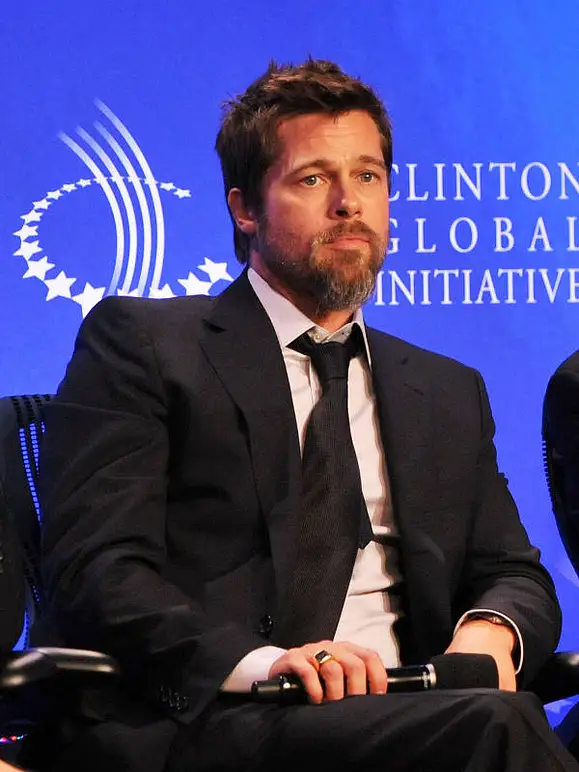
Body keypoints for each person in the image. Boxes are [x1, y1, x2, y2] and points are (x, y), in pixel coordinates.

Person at [30, 58, 578, 771]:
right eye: (313, 179)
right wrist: (264, 662)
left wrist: (490, 632)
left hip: (412, 707)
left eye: (368, 176)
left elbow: (512, 570)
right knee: (497, 725)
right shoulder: (146, 346)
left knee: (500, 718)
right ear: (245, 209)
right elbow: (97, 571)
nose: (349, 204)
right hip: (217, 716)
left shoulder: (445, 389)